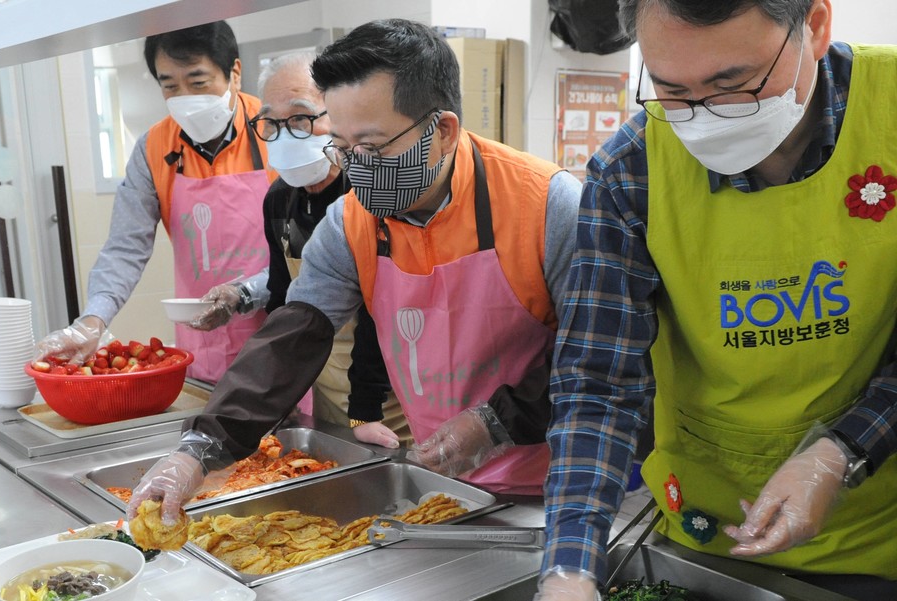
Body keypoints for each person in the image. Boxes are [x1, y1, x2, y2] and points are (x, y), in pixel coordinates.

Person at [125, 18, 582, 524]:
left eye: (374, 147)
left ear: (444, 131)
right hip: (445, 481)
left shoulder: (548, 206)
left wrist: (496, 424)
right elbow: (293, 336)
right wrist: (201, 448)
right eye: (342, 148)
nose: (356, 169)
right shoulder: (349, 223)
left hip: (556, 482)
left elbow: (597, 354)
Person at [539, 1, 897, 600]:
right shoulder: (630, 172)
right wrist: (570, 566)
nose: (704, 117)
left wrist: (839, 453)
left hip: (879, 530)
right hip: (710, 531)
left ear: (813, 25)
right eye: (671, 89)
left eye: (734, 84)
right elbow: (599, 382)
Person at [34, 21, 274, 384]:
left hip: (278, 328)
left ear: (234, 73)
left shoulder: (274, 129)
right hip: (204, 339)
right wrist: (92, 320)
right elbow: (125, 247)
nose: (185, 97)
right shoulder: (154, 148)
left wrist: (245, 294)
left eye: (198, 82)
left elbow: (309, 246)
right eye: (170, 86)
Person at [189, 52, 411, 444]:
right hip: (327, 391)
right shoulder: (279, 199)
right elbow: (281, 301)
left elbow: (379, 312)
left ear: (338, 118)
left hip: (389, 396)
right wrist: (278, 395)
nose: (285, 133)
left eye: (301, 118)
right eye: (272, 122)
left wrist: (363, 411)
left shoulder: (367, 192)